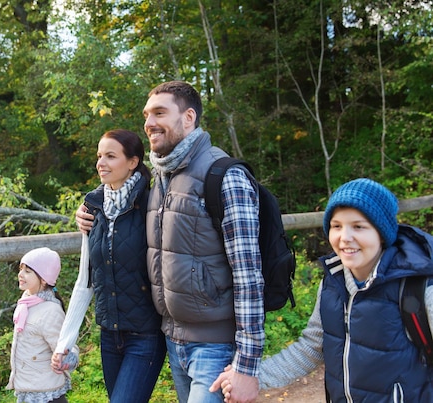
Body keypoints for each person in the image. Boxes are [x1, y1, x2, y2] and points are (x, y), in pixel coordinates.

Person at [76, 82, 264, 403]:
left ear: (189, 117)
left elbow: (249, 277)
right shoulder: (160, 179)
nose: (149, 122)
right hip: (173, 341)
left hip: (214, 346)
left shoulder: (224, 176)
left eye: (160, 113)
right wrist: (85, 213)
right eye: (147, 115)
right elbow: (116, 205)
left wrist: (247, 365)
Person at [214, 178, 433, 402]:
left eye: (358, 226)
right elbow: (312, 347)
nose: (345, 237)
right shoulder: (333, 282)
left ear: (382, 233)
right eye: (336, 226)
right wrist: (251, 375)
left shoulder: (417, 285)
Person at [52, 129, 166, 402]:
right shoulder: (93, 210)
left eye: (110, 156)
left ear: (133, 162)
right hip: (110, 335)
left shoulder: (154, 204)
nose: (100, 163)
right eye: (99, 156)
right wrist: (65, 341)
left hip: (146, 334)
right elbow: (85, 281)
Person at [6, 247, 79, 403]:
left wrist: (64, 359)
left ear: (44, 279)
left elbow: (67, 345)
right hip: (28, 387)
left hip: (46, 393)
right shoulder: (26, 301)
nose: (20, 274)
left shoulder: (50, 310)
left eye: (28, 271)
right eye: (21, 269)